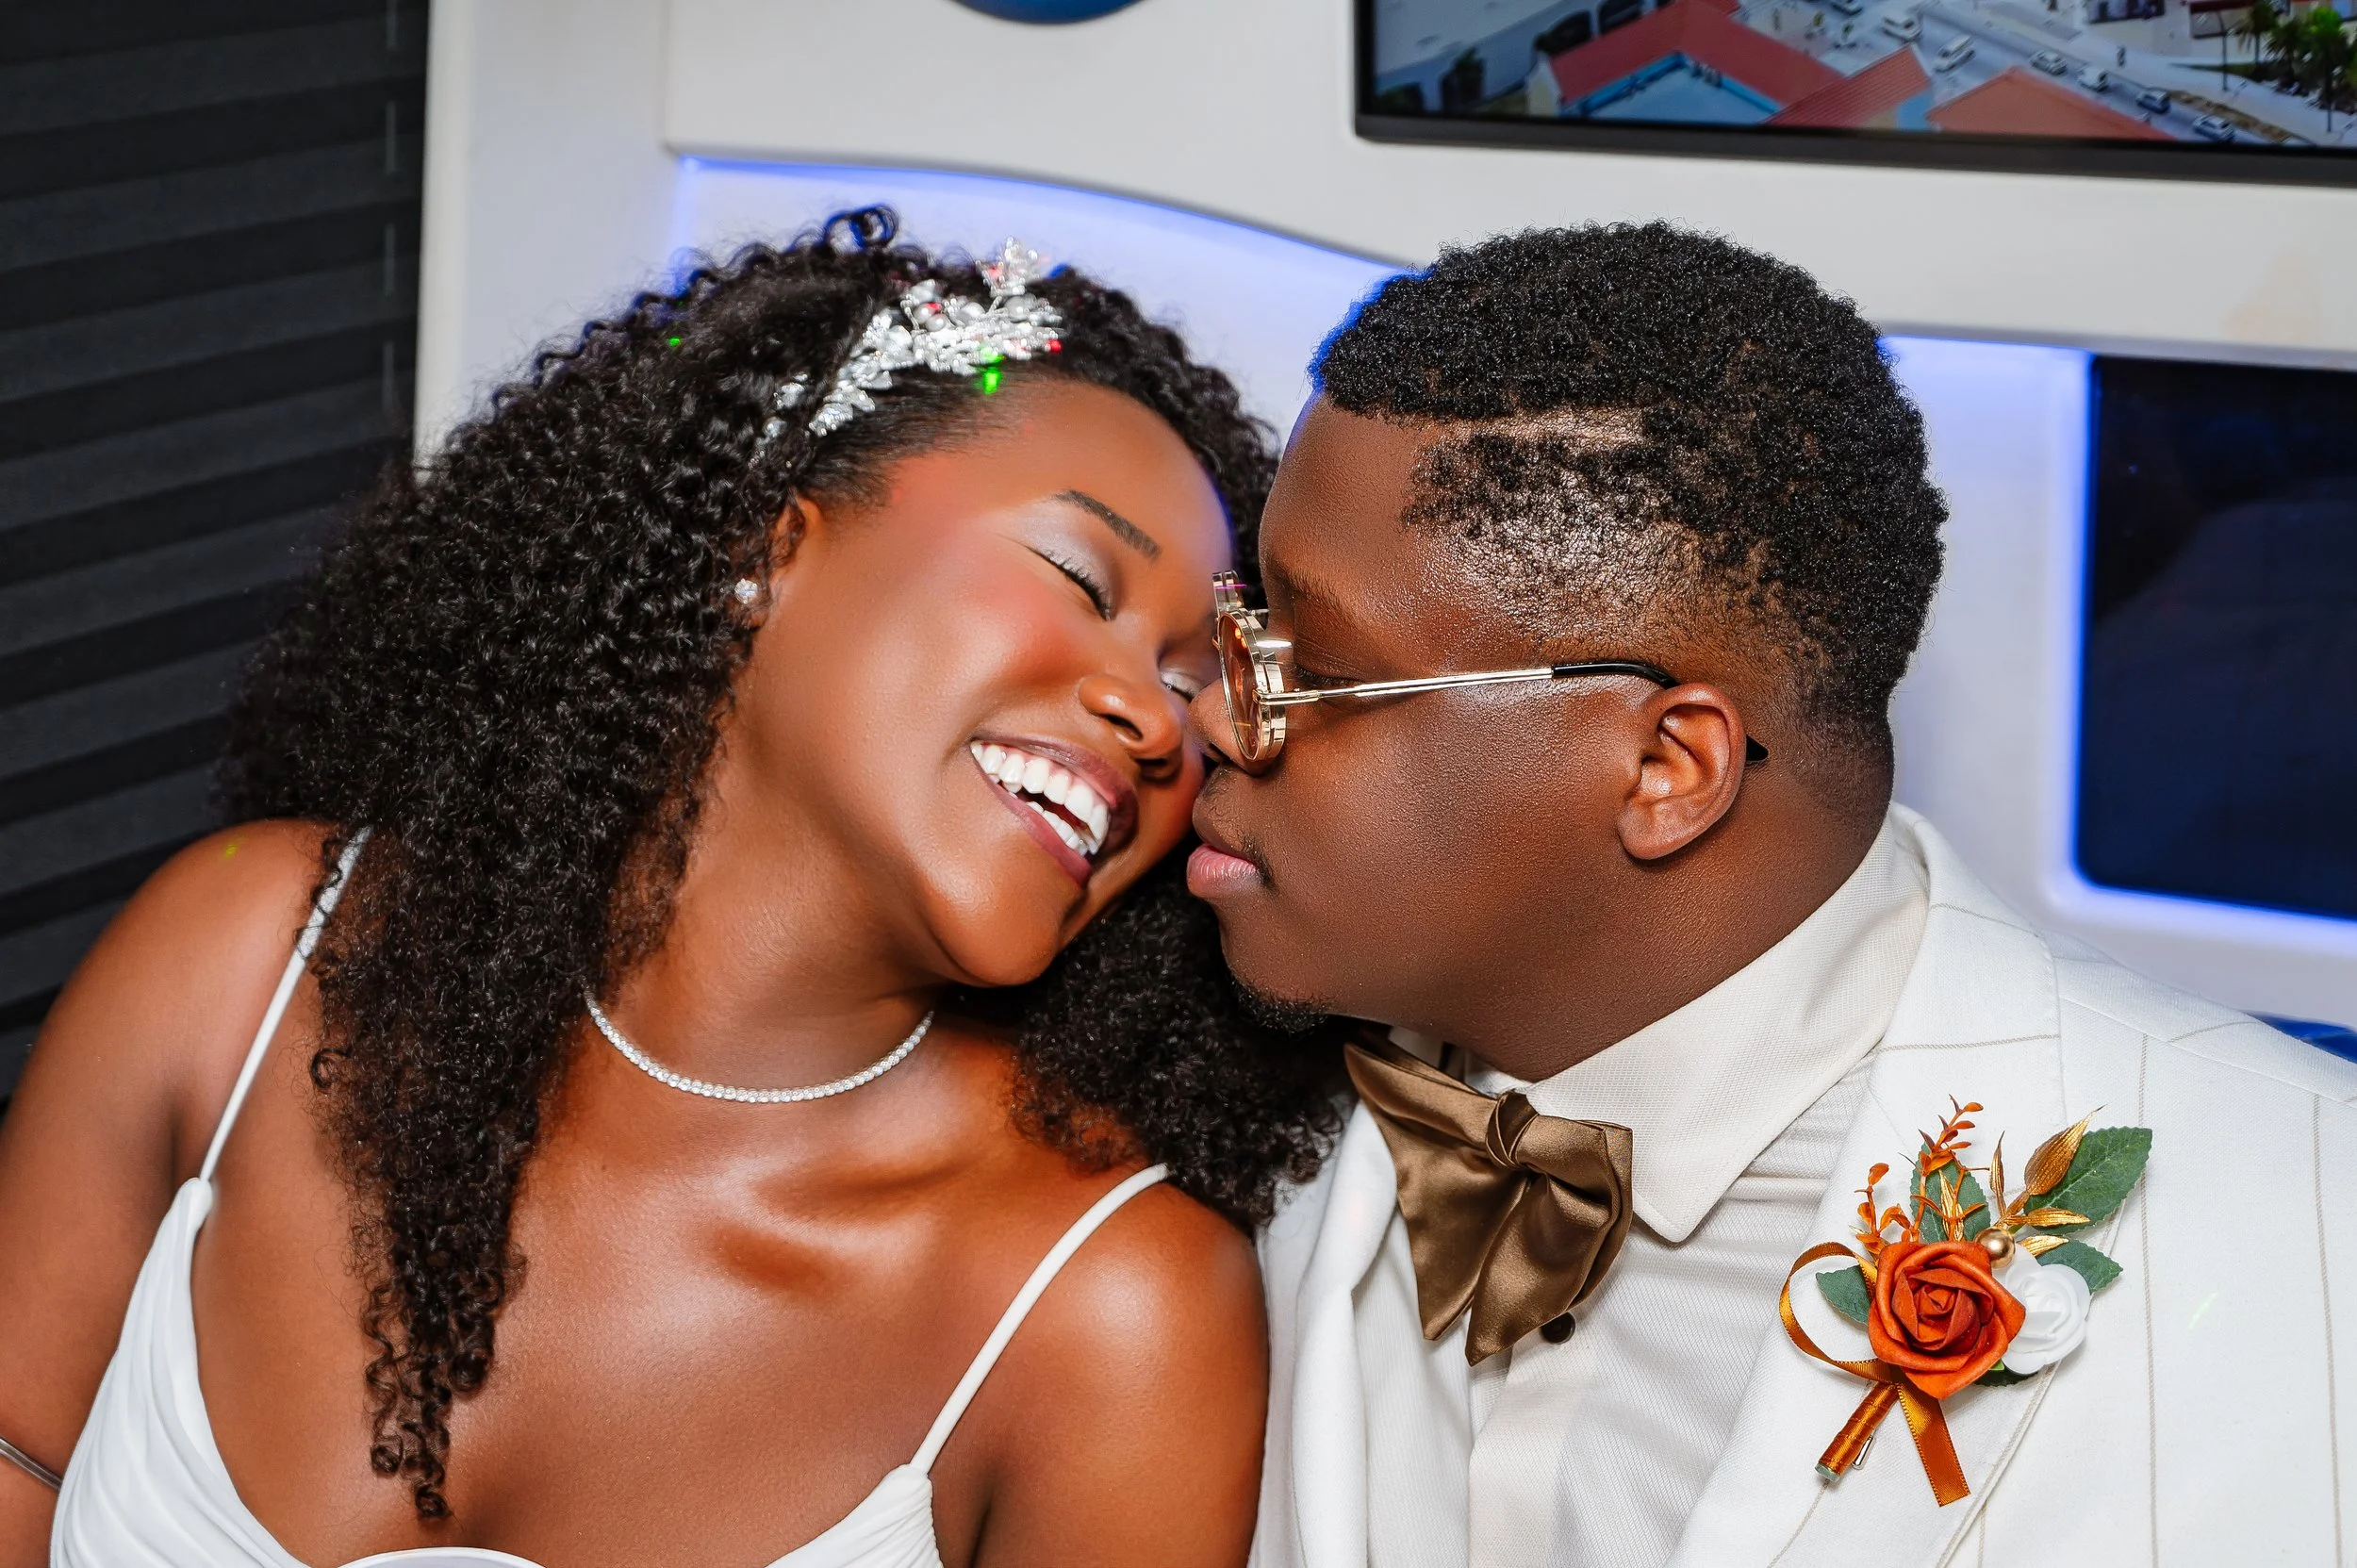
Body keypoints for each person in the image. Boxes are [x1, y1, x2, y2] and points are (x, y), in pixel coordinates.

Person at [0, 209, 1342, 1568]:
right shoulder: (244, 960)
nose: (1157, 720)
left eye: (1192, 685)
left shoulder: (1109, 1315)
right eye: (1078, 575)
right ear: (768, 547)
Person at [1184, 224, 2357, 1567]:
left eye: (1306, 664)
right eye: (1239, 626)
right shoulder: (1208, 1108)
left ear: (1666, 766)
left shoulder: (2315, 1228)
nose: (1216, 714)